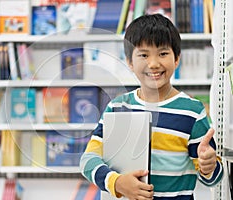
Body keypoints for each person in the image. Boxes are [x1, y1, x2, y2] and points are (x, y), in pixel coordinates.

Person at [80, 14, 223, 200]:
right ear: (130, 62)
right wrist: (116, 182)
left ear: (177, 58)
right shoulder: (117, 107)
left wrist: (209, 166)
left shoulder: (192, 112)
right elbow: (87, 161)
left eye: (163, 53)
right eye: (144, 55)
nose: (154, 64)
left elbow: (214, 178)